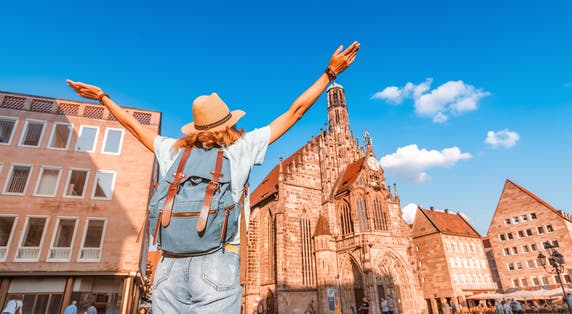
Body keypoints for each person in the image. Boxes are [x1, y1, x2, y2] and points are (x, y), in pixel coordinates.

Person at [67, 41, 359, 313]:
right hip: (218, 263)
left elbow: (133, 128)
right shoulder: (241, 149)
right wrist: (329, 72)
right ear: (228, 123)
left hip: (169, 266)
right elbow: (295, 112)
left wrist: (103, 97)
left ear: (195, 129)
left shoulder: (173, 152)